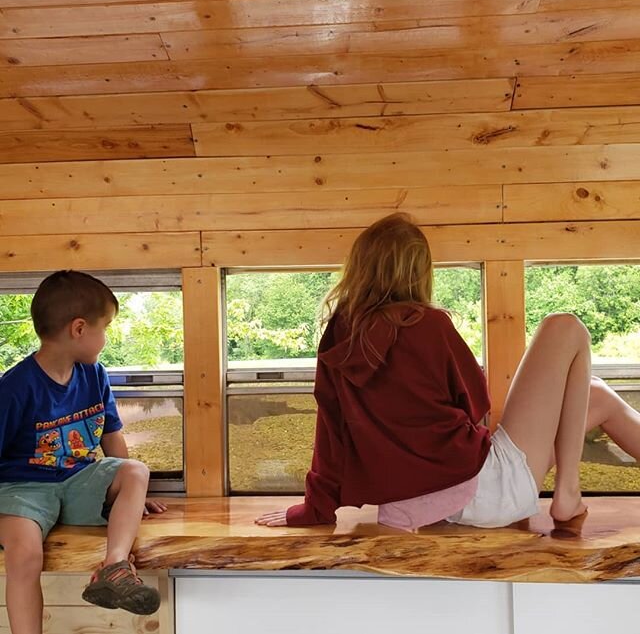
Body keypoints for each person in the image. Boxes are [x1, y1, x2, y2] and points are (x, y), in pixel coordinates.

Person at [256, 213, 640, 531]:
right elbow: (477, 403)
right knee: (565, 326)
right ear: (419, 270)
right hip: (484, 487)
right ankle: (568, 492)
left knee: (594, 391)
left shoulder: (339, 335)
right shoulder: (428, 325)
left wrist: (314, 509)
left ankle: (568, 493)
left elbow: (329, 434)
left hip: (429, 502)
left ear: (359, 268)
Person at [0, 270, 167, 634]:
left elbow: (112, 438)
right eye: (104, 328)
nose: (105, 338)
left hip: (76, 480)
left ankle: (115, 567)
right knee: (25, 555)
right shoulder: (15, 388)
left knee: (136, 471)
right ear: (79, 329)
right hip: (20, 490)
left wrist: (130, 494)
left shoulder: (94, 375)